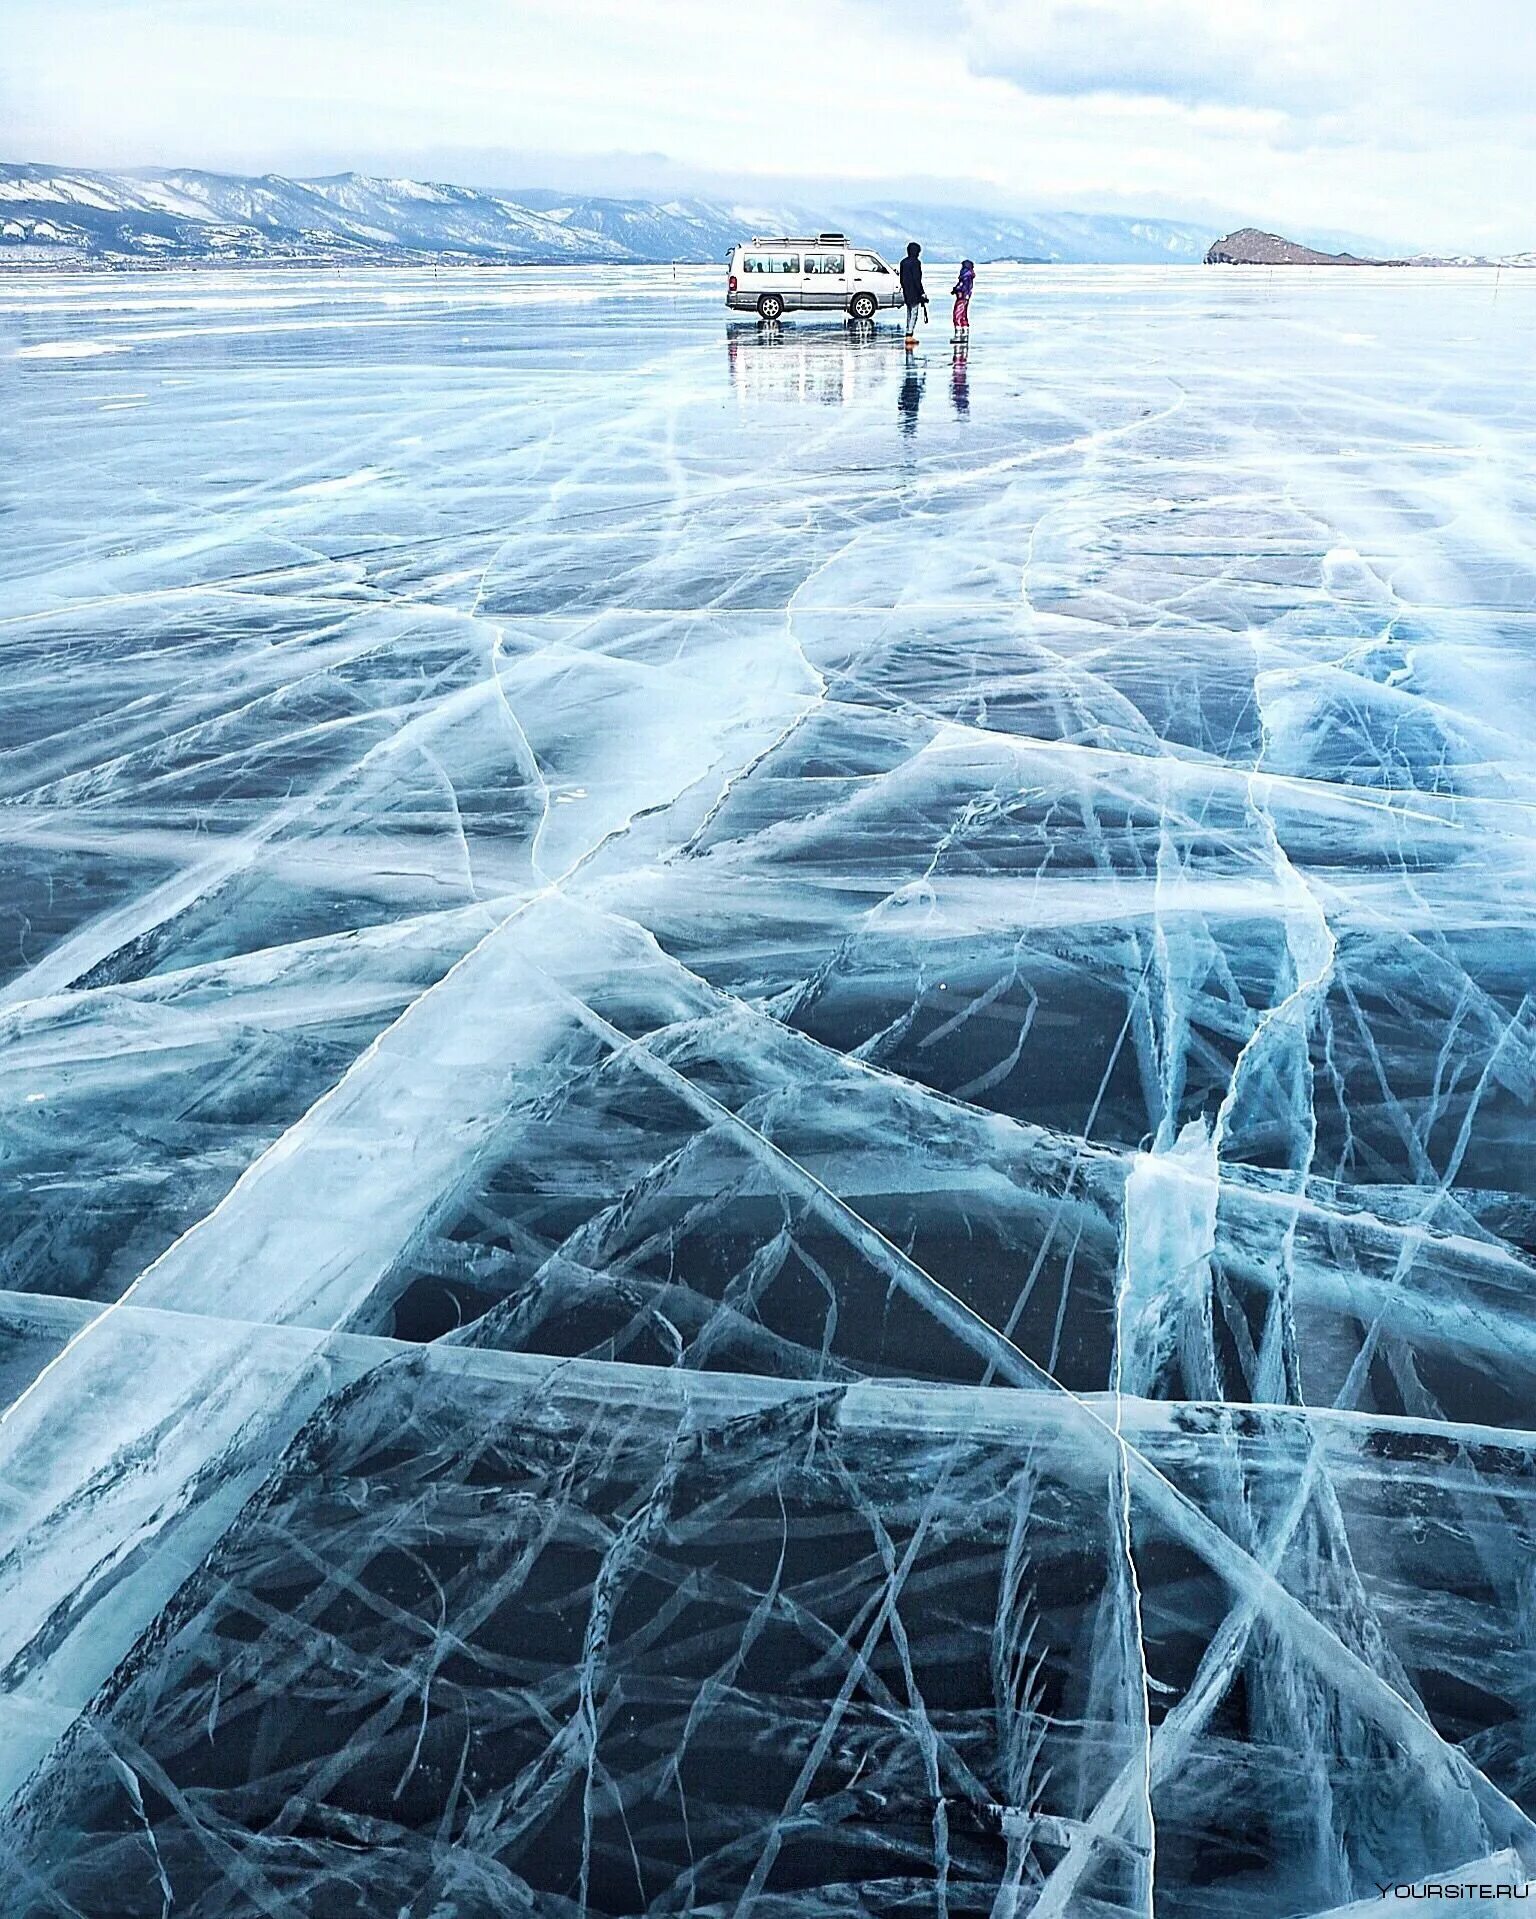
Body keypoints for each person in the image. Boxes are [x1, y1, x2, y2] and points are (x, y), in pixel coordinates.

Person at [899, 242, 926, 346]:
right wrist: (922, 292)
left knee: (909, 312)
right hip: (914, 291)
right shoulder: (916, 263)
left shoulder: (903, 262)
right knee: (914, 313)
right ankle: (909, 334)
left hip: (906, 290)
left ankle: (908, 333)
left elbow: (901, 278)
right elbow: (917, 279)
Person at [951, 258, 975, 341]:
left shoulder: (965, 276)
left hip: (961, 297)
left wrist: (956, 289)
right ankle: (965, 332)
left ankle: (958, 333)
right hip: (966, 298)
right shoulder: (969, 276)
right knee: (963, 314)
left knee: (957, 314)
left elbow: (962, 286)